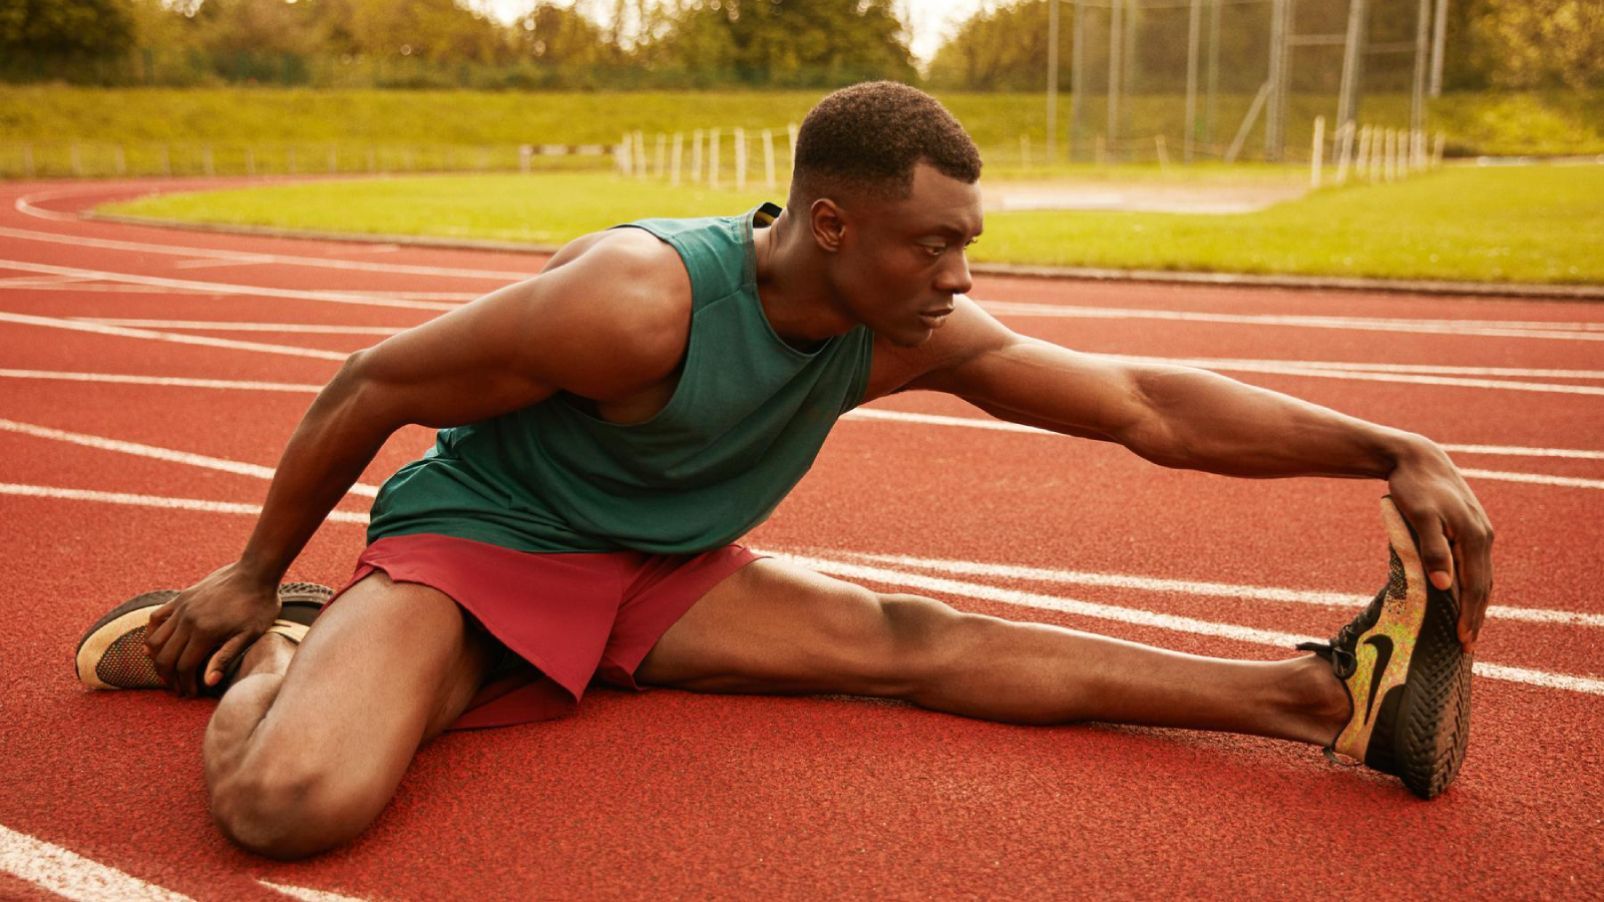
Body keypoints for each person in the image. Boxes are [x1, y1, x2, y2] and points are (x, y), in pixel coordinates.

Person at [75, 82, 1492, 861]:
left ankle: (1327, 696)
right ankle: (290, 638)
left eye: (968, 241)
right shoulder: (637, 303)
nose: (962, 274)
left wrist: (1392, 446)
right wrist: (255, 567)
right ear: (830, 225)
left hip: (660, 569)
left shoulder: (904, 325)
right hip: (486, 541)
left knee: (919, 644)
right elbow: (374, 382)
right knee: (291, 808)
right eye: (936, 244)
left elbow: (1141, 404)